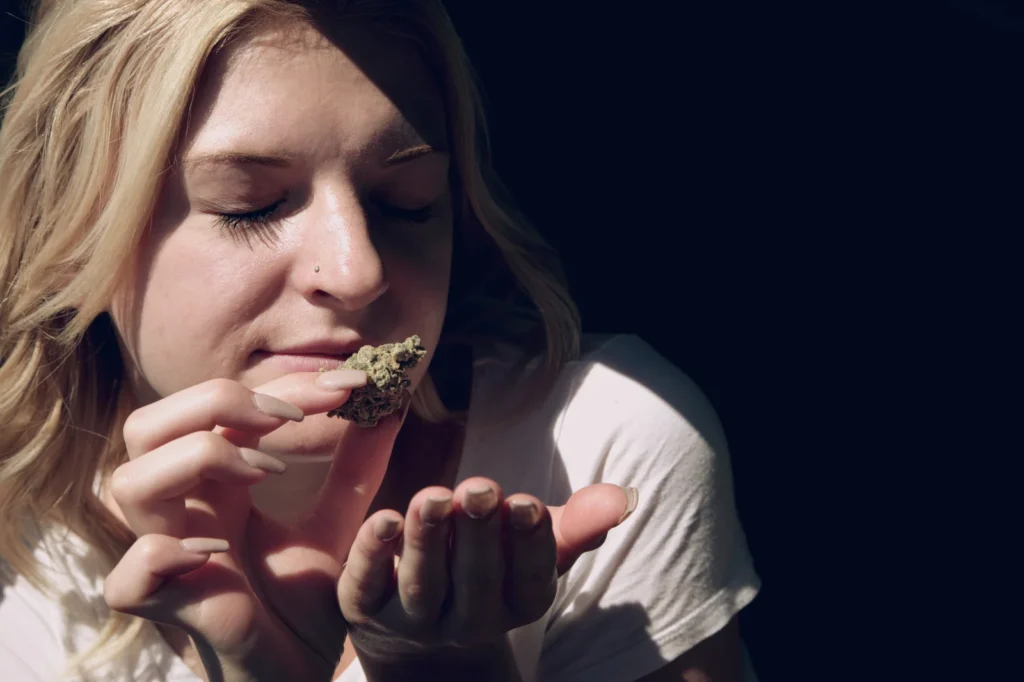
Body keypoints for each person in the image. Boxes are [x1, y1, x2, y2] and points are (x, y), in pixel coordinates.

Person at [0, 1, 761, 680]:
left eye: (406, 202)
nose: (358, 268)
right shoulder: (23, 539)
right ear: (75, 235)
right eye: (251, 205)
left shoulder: (598, 438)